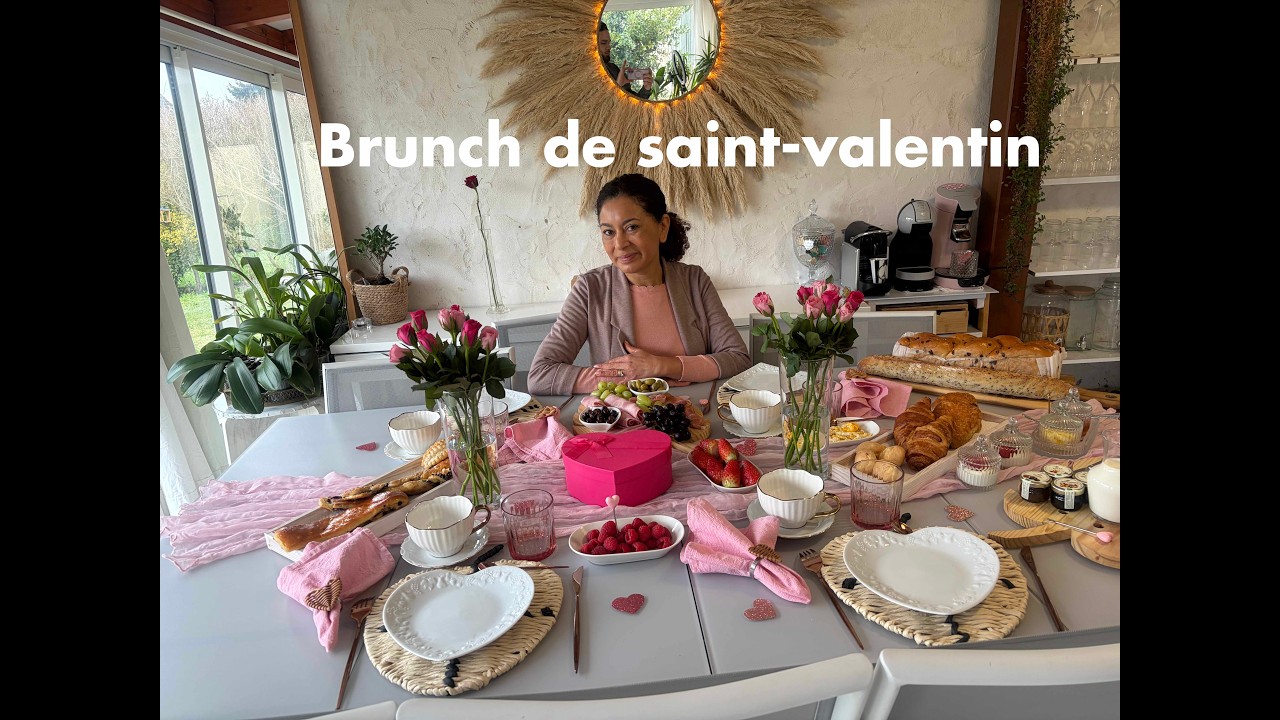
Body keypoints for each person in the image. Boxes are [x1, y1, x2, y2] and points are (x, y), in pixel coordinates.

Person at [528, 173, 751, 396]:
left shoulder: (695, 281)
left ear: (662, 227)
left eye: (632, 227)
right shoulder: (590, 289)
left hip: (697, 420)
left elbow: (737, 358)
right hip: (623, 425)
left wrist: (660, 366)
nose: (620, 244)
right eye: (608, 232)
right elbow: (541, 374)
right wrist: (621, 376)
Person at [597, 21, 652, 100]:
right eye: (603, 43)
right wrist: (617, 88)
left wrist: (646, 89)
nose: (609, 47)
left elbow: (632, 104)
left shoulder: (613, 68)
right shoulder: (584, 76)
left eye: (609, 43)